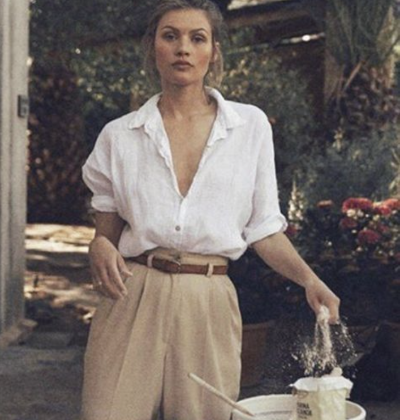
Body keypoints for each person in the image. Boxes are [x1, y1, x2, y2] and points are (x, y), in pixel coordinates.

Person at [80, 1, 340, 419]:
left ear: (213, 51)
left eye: (197, 38)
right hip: (133, 293)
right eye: (170, 36)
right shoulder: (119, 136)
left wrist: (309, 280)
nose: (183, 48)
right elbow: (106, 234)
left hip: (209, 298)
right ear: (153, 47)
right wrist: (98, 246)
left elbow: (264, 230)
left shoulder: (249, 127)